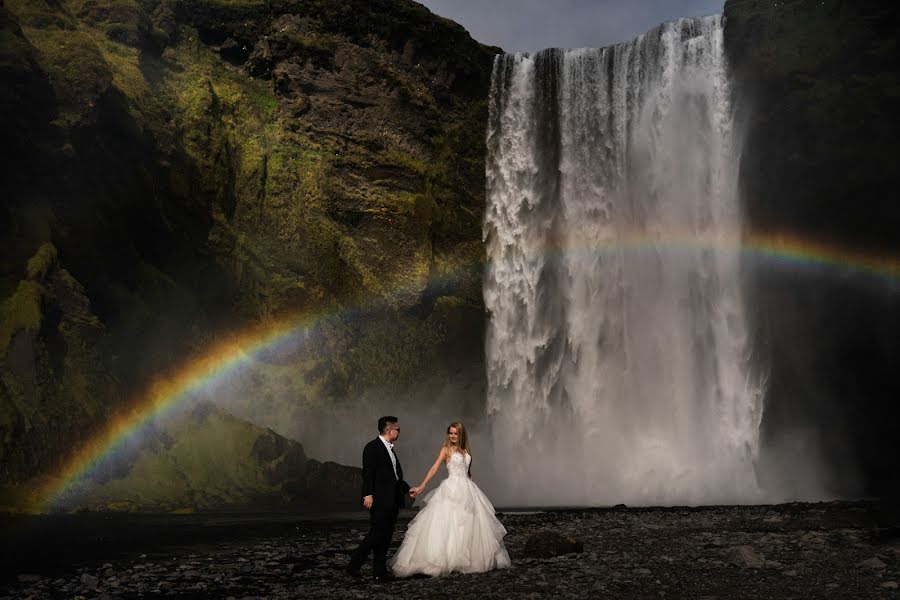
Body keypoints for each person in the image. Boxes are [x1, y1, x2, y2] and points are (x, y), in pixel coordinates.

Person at [389, 421, 511, 577]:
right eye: (450, 433)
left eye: (455, 433)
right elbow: (434, 467)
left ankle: (467, 560)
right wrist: (422, 486)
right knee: (450, 524)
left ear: (461, 434)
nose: (452, 436)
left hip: (468, 489)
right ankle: (446, 560)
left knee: (470, 524)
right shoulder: (446, 449)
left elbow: (467, 471)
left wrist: (472, 488)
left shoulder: (466, 449)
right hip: (451, 488)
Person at [346, 416, 411, 582]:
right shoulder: (372, 447)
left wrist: (407, 489)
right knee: (377, 534)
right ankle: (354, 564)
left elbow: (393, 477)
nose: (399, 431)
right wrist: (367, 494)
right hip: (380, 500)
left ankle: (379, 573)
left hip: (392, 500)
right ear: (389, 430)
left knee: (386, 536)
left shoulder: (389, 448)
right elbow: (368, 473)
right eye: (398, 429)